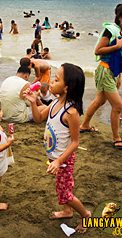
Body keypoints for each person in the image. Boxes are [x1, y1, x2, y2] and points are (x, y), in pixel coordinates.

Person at [24, 63, 91, 233]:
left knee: (65, 193)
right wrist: (33, 101)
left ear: (67, 88)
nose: (51, 82)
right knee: (62, 188)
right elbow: (38, 118)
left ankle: (86, 215)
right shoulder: (54, 103)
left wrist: (60, 160)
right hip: (55, 158)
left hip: (63, 160)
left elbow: (75, 142)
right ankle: (67, 211)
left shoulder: (71, 112)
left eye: (56, 80)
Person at [80, 4, 122, 150]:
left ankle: (84, 125)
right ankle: (116, 139)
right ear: (120, 17)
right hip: (105, 71)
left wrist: (120, 76)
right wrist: (115, 46)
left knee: (99, 101)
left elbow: (121, 57)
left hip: (113, 72)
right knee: (117, 106)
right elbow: (98, 50)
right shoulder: (111, 31)